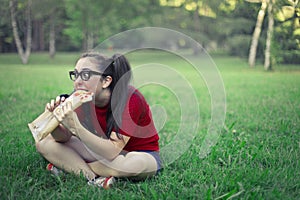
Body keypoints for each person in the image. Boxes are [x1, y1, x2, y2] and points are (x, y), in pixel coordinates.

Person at [36, 52, 161, 188]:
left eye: (86, 75)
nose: (77, 81)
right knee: (44, 142)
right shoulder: (80, 98)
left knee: (134, 165)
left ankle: (71, 167)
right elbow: (64, 138)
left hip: (138, 154)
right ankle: (94, 178)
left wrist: (75, 127)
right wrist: (55, 122)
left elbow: (112, 151)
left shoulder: (131, 98)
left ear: (106, 81)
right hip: (101, 150)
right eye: (76, 74)